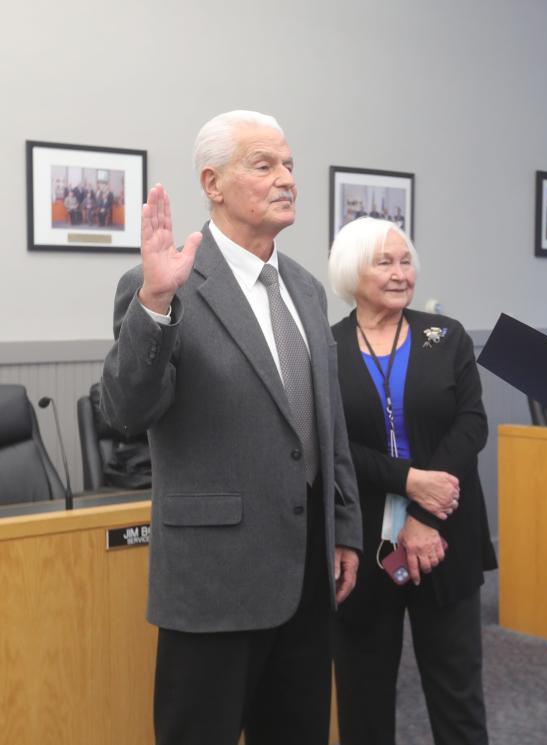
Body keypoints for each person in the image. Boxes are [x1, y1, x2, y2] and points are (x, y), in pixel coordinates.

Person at [99, 109, 363, 745]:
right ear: (213, 184)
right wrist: (155, 307)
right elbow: (124, 411)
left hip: (306, 575)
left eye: (290, 165)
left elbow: (327, 424)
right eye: (264, 165)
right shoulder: (162, 282)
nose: (286, 179)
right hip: (213, 581)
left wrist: (346, 525)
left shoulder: (305, 287)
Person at [328, 217, 497, 745]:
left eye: (406, 262)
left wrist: (423, 512)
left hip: (444, 536)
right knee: (363, 696)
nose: (401, 273)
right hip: (363, 543)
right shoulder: (325, 348)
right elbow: (331, 445)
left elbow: (471, 424)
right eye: (385, 262)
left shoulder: (445, 338)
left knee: (457, 696)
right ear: (354, 272)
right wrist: (408, 480)